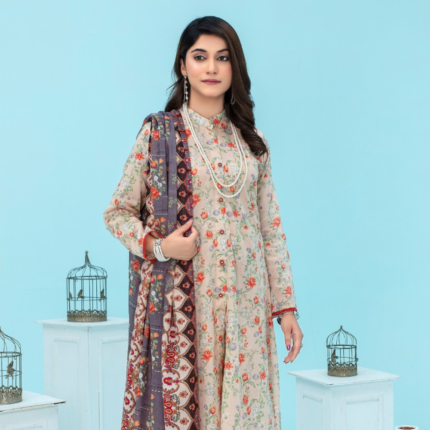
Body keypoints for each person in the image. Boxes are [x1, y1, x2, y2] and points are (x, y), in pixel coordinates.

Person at [103, 15, 304, 430]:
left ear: (235, 67)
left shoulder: (254, 143)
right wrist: (161, 247)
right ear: (183, 65)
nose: (211, 68)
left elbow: (270, 229)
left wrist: (285, 308)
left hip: (247, 309)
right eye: (200, 57)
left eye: (222, 58)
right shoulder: (158, 134)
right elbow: (117, 213)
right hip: (188, 306)